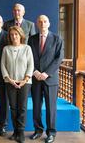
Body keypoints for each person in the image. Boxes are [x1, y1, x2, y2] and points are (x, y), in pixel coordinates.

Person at [28, 15, 64, 143]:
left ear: (49, 23)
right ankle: (38, 130)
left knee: (51, 107)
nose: (42, 23)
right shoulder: (31, 39)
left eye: (45, 21)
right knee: (36, 107)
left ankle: (51, 133)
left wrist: (47, 73)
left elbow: (58, 59)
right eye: (40, 21)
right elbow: (28, 58)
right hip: (36, 78)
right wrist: (34, 72)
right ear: (37, 24)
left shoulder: (57, 39)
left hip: (50, 79)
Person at [1, 26, 34, 143]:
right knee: (13, 107)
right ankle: (15, 131)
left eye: (16, 34)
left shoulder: (27, 48)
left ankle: (21, 133)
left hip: (25, 83)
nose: (14, 36)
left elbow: (31, 65)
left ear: (20, 35)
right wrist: (10, 80)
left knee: (22, 107)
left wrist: (25, 80)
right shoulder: (6, 49)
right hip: (10, 82)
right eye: (12, 34)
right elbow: (3, 66)